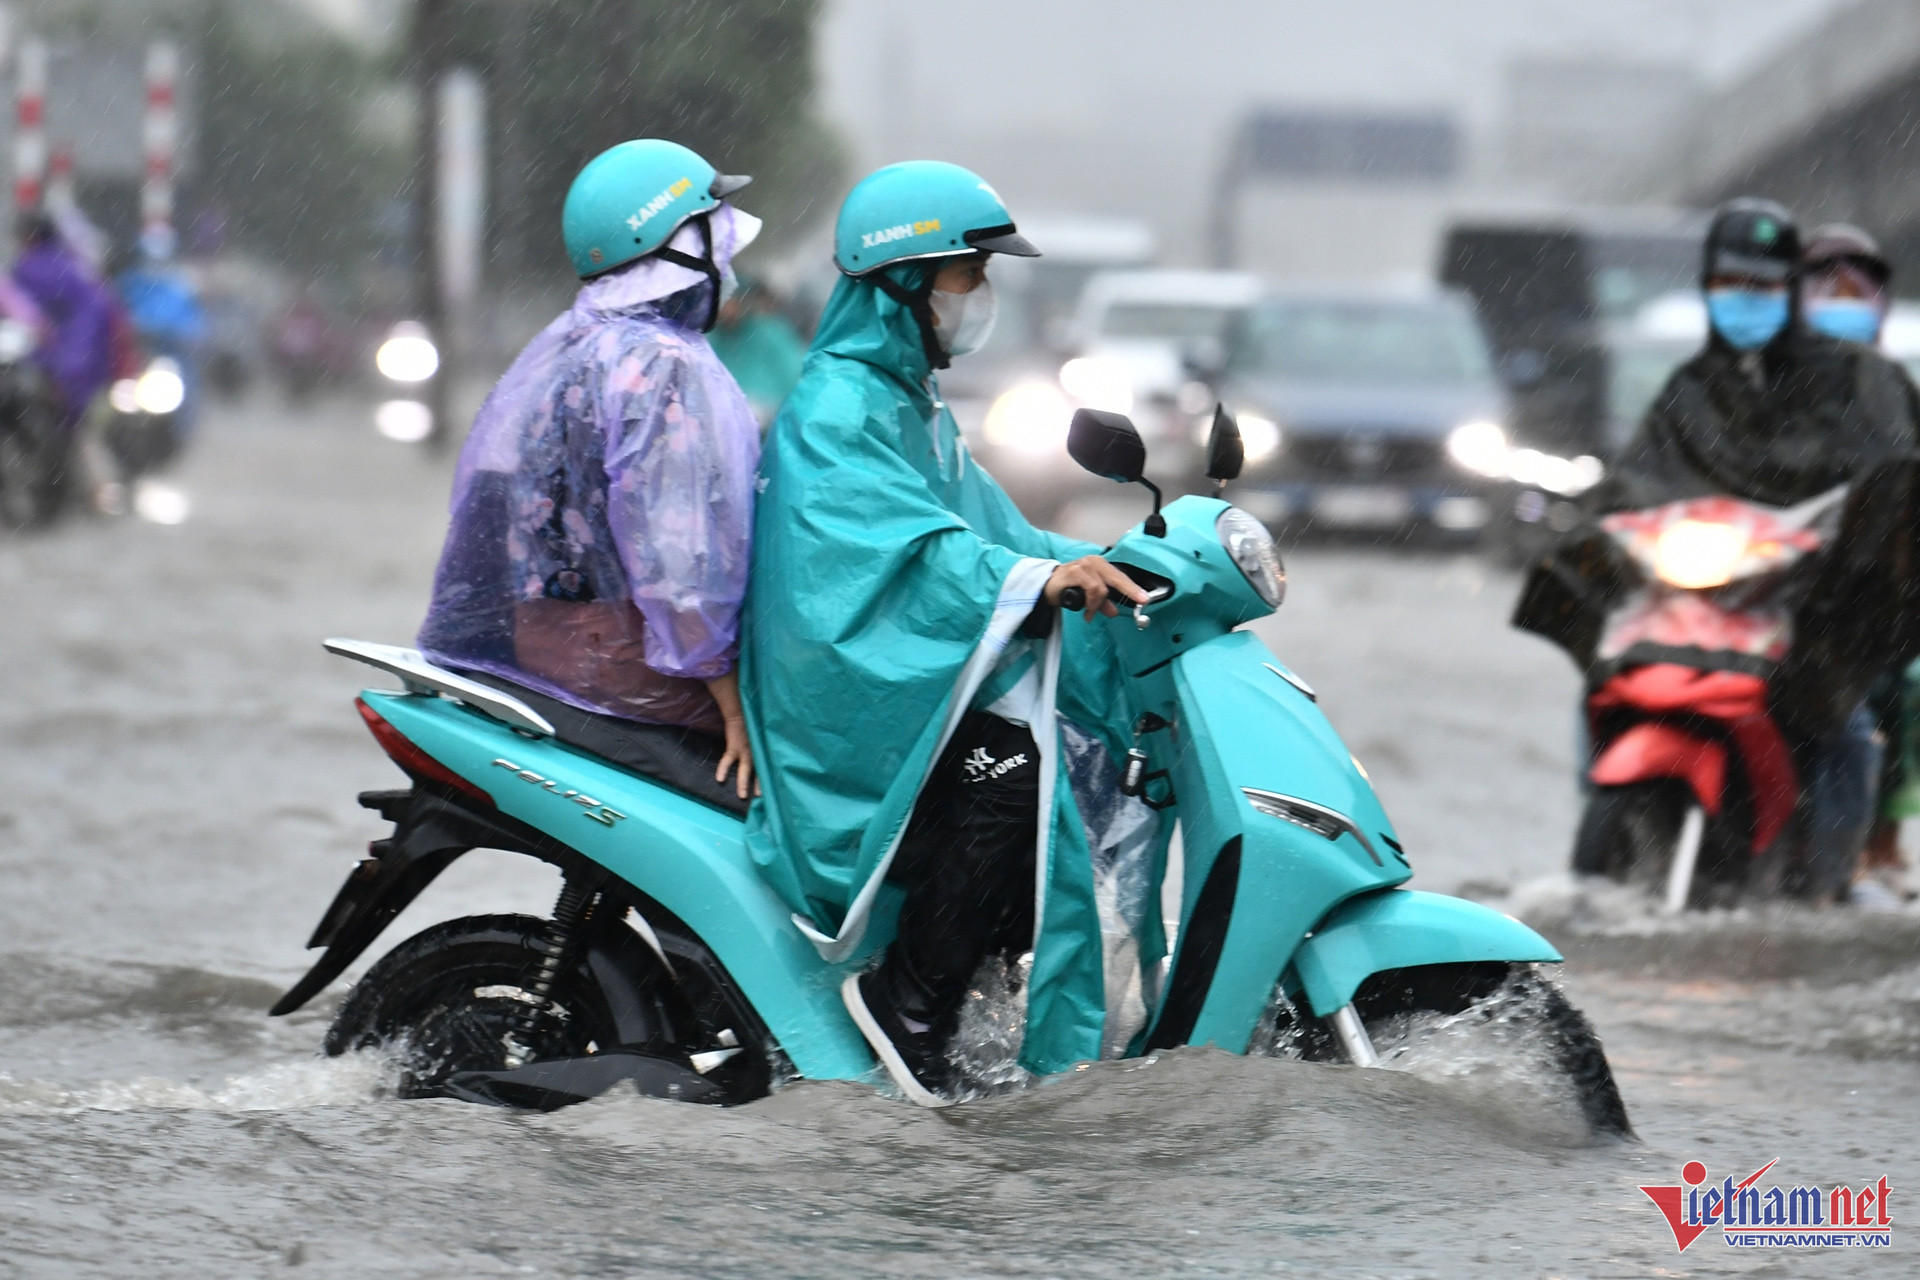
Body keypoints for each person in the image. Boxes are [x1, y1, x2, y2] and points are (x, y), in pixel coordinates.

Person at [741, 161, 1153, 1106]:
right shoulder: (840, 406)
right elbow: (918, 555)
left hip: (878, 675)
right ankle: (910, 1002)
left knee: (1055, 767)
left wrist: (1114, 561)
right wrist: (1040, 579)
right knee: (1011, 774)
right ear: (904, 282)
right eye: (969, 274)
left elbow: (990, 531)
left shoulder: (908, 402)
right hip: (837, 692)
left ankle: (978, 991)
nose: (982, 296)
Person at [416, 139, 763, 800]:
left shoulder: (574, 343)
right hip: (626, 657)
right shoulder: (662, 361)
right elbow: (680, 561)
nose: (729, 259)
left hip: (542, 641)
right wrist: (730, 694)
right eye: (716, 238)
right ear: (680, 244)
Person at [1600, 198, 1920, 901]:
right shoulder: (1689, 388)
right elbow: (1638, 480)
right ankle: (1601, 855)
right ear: (1708, 285)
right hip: (1709, 599)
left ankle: (1825, 889)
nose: (1748, 301)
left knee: (1842, 728)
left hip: (1818, 607)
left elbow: (1889, 474)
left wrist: (1849, 539)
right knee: (1605, 674)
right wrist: (1608, 519)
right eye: (1732, 284)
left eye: (1765, 286)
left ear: (1789, 292)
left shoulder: (1849, 381)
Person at [11, 212, 116, 437]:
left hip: (55, 362)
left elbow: (27, 317)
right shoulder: (72, 266)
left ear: (30, 237)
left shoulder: (28, 270)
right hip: (83, 359)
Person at [707, 275, 806, 428]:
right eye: (720, 301)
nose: (726, 308)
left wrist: (769, 409)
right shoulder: (710, 339)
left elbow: (796, 377)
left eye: (730, 298)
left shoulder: (769, 332)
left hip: (773, 428)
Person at [1801, 223, 1894, 346]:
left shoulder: (1887, 365)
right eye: (1833, 295)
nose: (1845, 303)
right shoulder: (1773, 361)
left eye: (1856, 294)